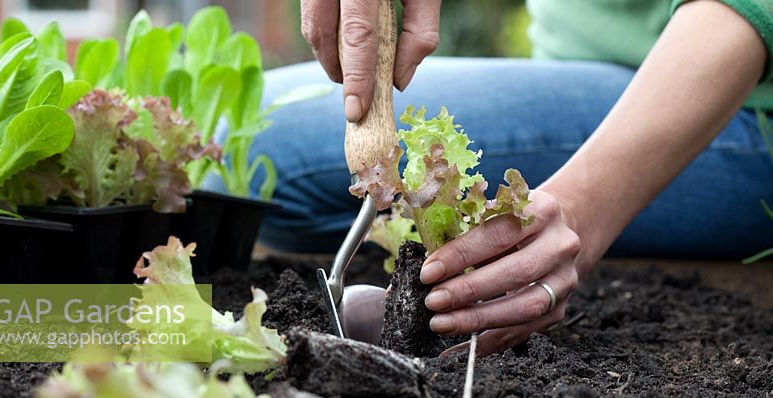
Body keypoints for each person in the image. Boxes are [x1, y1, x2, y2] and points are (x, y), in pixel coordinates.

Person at [204, 0, 773, 355]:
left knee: (257, 145)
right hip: (589, 67)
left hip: (737, 88)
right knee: (245, 149)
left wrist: (581, 207)